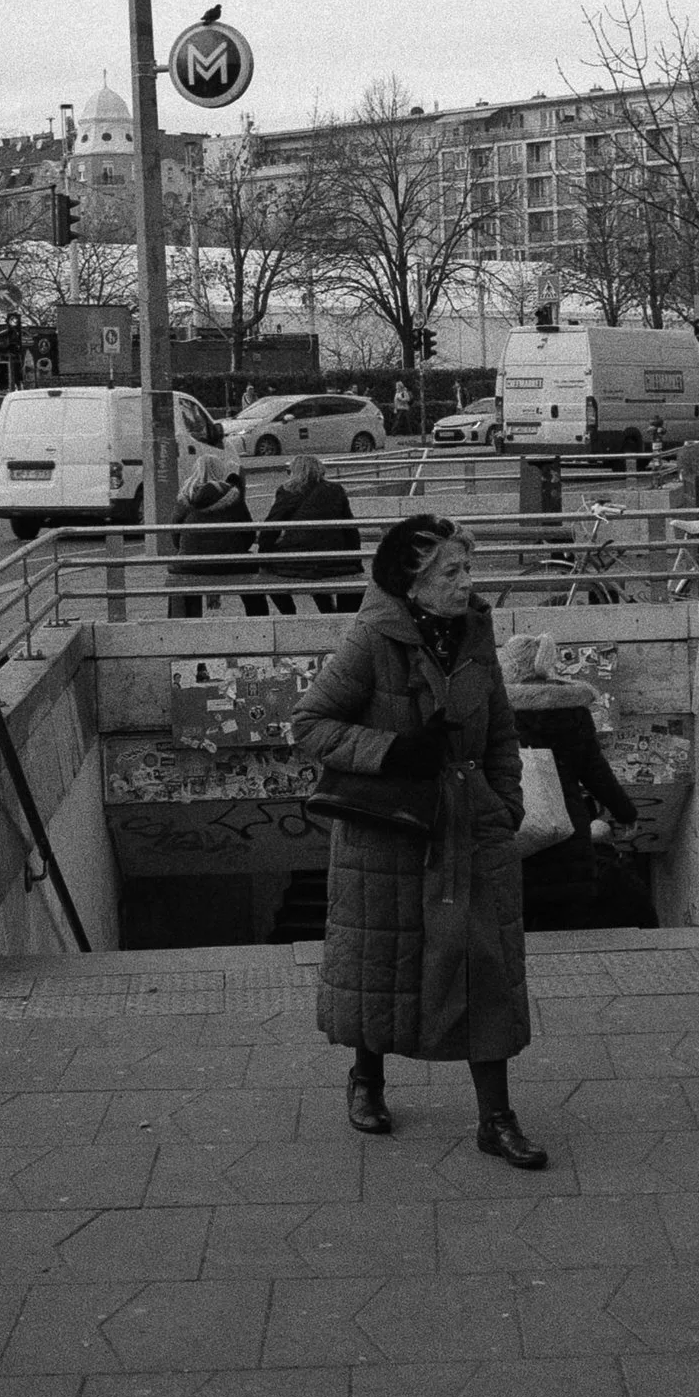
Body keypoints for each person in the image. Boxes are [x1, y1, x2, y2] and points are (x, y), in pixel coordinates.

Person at [294, 515, 546, 1169]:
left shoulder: (475, 631)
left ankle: (497, 1117)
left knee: (484, 963)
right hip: (389, 831)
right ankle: (367, 1080)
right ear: (414, 580)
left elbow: (498, 730)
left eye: (468, 569)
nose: (467, 583)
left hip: (471, 825)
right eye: (451, 573)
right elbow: (310, 724)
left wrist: (506, 803)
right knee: (385, 962)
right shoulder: (372, 637)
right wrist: (392, 750)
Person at [500, 633, 639, 932]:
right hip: (568, 830)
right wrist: (626, 813)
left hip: (517, 823)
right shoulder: (570, 708)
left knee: (519, 919)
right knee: (568, 922)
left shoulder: (497, 710)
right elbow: (595, 771)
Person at [258, 454, 364, 614]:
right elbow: (350, 530)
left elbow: (271, 528)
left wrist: (264, 557)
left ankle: (289, 614)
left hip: (299, 561)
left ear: (295, 472)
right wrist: (354, 561)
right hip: (335, 560)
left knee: (265, 575)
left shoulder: (288, 491)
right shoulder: (336, 490)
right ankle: (333, 613)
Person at [166, 471, 270, 617]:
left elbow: (175, 536)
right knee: (253, 583)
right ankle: (259, 621)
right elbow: (249, 535)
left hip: (191, 565)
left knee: (178, 579)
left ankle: (182, 624)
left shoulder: (189, 501)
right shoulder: (234, 501)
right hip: (231, 565)